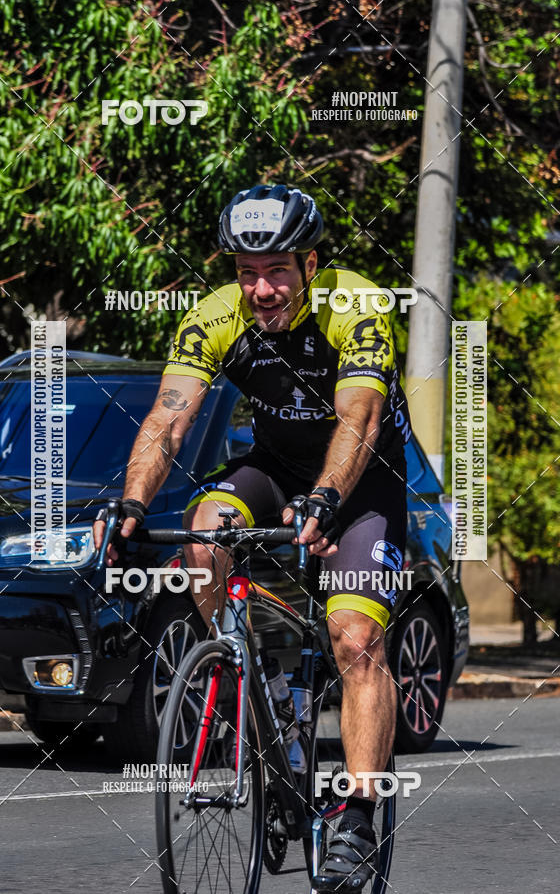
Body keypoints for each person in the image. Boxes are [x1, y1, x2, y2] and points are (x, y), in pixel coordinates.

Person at [94, 184, 412, 892]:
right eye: (246, 271)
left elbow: (358, 415)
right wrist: (130, 504)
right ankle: (256, 683)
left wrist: (328, 497)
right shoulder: (216, 316)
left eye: (276, 270)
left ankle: (358, 817)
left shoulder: (355, 305)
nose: (261, 288)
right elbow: (167, 420)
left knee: (356, 638)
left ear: (310, 261)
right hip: (272, 465)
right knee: (204, 533)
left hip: (360, 478)